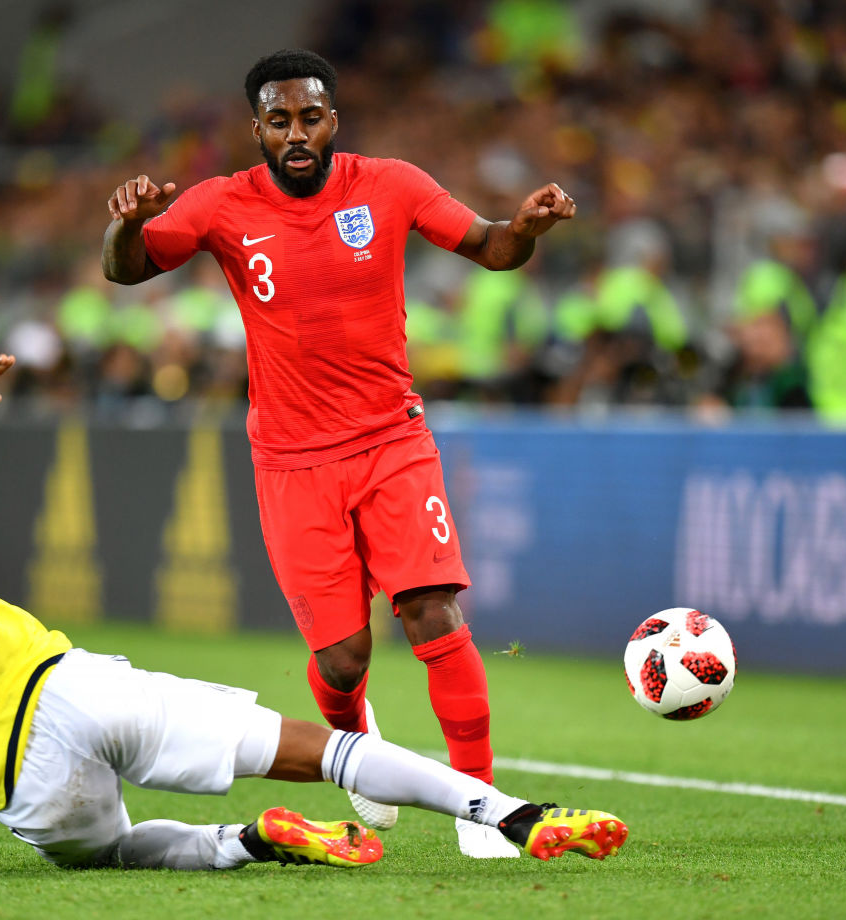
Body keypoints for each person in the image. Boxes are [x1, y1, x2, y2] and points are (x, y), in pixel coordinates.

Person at [0, 334, 628, 873]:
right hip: (73, 693)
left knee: (117, 852)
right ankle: (507, 813)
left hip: (28, 797)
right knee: (320, 750)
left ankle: (248, 844)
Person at [102, 49, 579, 857]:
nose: (297, 134)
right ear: (256, 128)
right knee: (343, 656)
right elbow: (126, 269)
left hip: (393, 439)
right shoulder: (221, 204)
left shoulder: (389, 184)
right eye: (279, 120)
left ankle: (486, 807)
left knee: (433, 613)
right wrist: (123, 219)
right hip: (291, 463)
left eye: (311, 117)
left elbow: (493, 248)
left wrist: (525, 228)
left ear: (334, 121)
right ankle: (357, 748)